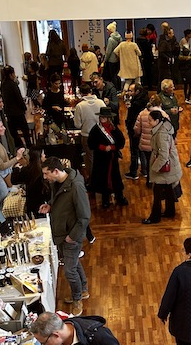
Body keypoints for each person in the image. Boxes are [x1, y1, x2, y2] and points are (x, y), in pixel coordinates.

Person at [38, 157, 91, 316]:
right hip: (62, 233)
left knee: (69, 271)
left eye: (47, 174)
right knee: (73, 263)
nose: (45, 177)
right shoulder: (58, 183)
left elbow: (84, 217)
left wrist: (71, 236)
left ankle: (77, 299)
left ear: (56, 171)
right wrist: (51, 206)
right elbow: (61, 203)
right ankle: (83, 290)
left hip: (71, 236)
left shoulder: (76, 187)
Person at [142, 109, 182, 224]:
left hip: (164, 168)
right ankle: (170, 211)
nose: (149, 123)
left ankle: (155, 217)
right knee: (169, 189)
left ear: (157, 121)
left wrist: (154, 168)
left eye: (150, 121)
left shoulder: (160, 134)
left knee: (157, 193)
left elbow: (163, 155)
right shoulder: (164, 127)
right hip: (171, 166)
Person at [88, 107, 128, 209]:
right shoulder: (95, 129)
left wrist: (113, 147)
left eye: (105, 117)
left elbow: (121, 141)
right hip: (101, 158)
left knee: (115, 177)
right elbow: (91, 144)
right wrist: (102, 147)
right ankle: (105, 199)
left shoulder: (114, 129)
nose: (102, 119)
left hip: (112, 158)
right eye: (101, 117)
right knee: (103, 178)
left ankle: (119, 196)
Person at [0, 117, 26, 205]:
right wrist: (17, 158)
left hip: (5, 173)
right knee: (2, 202)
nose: (4, 128)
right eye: (1, 126)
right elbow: (0, 166)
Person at [133, 95, 167, 184]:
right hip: (158, 144)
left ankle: (149, 180)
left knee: (148, 162)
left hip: (145, 144)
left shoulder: (142, 113)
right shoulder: (163, 115)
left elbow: (137, 129)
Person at [73, 83, 103, 181]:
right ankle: (101, 179)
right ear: (90, 91)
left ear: (81, 94)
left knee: (90, 160)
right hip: (101, 135)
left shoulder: (80, 106)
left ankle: (93, 181)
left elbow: (77, 125)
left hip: (87, 136)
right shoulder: (101, 103)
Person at [11, 149, 48, 218]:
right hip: (44, 201)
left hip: (32, 202)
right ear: (39, 157)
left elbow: (14, 180)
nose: (45, 156)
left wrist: (16, 169)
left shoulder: (27, 170)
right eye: (43, 154)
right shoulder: (44, 170)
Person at [0, 65, 31, 149]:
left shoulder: (3, 84)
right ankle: (28, 147)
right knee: (25, 131)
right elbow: (19, 98)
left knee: (13, 132)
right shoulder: (12, 85)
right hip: (18, 112)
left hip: (9, 113)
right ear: (11, 74)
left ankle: (19, 147)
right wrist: (24, 108)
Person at [124, 83, 149, 181]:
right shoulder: (144, 99)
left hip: (134, 129)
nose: (129, 92)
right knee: (142, 149)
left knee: (134, 151)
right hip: (142, 129)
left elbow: (132, 117)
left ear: (137, 91)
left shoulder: (135, 104)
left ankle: (133, 172)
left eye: (131, 91)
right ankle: (145, 170)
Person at [178, 29, 191, 104]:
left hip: (188, 66)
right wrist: (189, 57)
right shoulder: (183, 41)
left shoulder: (188, 41)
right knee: (186, 83)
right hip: (184, 66)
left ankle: (188, 97)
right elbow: (185, 53)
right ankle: (186, 97)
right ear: (187, 34)